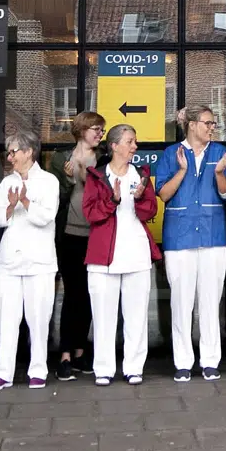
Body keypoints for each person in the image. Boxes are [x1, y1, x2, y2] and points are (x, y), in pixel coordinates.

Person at [154, 105, 226, 382]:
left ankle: (211, 361)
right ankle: (183, 362)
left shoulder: (221, 154)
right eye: (208, 123)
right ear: (191, 125)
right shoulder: (170, 155)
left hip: (213, 236)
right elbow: (163, 194)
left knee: (211, 301)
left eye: (214, 124)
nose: (213, 127)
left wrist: (221, 174)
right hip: (180, 237)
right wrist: (183, 170)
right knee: (181, 301)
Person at [83, 124, 160, 386]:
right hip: (104, 255)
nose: (134, 147)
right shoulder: (96, 176)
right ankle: (103, 368)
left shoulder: (141, 175)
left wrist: (139, 199)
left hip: (136, 252)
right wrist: (112, 201)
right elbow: (90, 214)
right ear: (114, 146)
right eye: (130, 142)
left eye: (135, 142)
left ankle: (134, 367)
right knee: (103, 316)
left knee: (137, 315)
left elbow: (150, 212)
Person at [0, 128, 56, 391]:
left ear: (29, 152)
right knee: (6, 317)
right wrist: (10, 205)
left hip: (39, 262)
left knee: (38, 318)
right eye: (8, 152)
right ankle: (3, 371)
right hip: (9, 262)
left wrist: (25, 202)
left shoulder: (49, 181)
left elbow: (45, 217)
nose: (10, 157)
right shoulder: (6, 182)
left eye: (14, 152)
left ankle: (38, 369)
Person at [47, 111, 105, 381]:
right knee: (72, 295)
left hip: (96, 235)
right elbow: (52, 198)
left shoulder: (103, 158)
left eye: (101, 130)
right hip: (69, 234)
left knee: (89, 296)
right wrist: (69, 181)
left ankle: (81, 351)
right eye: (95, 128)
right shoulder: (62, 159)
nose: (99, 133)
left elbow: (104, 193)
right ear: (81, 129)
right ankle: (65, 355)